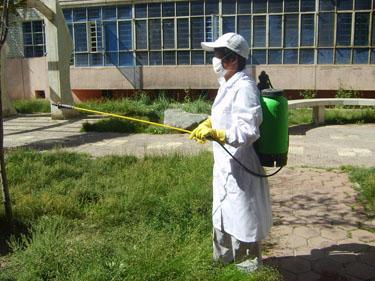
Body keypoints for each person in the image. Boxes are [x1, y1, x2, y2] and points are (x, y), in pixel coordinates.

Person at [189, 33, 272, 273]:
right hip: (225, 166)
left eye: (217, 54)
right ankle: (223, 267)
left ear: (232, 59)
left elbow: (248, 130)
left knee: (243, 219)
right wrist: (208, 123)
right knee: (223, 215)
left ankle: (247, 272)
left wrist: (220, 134)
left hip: (241, 167)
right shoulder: (227, 84)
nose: (213, 60)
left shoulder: (244, 88)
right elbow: (225, 117)